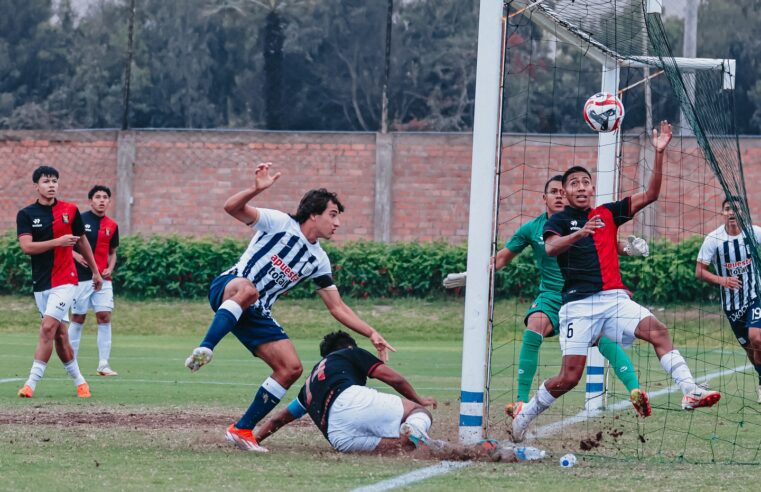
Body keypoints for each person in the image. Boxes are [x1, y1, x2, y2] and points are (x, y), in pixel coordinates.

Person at [511, 121, 721, 442]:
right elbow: (551, 247)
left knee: (659, 331)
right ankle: (525, 415)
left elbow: (651, 194)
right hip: (578, 307)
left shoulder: (609, 213)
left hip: (614, 300)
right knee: (569, 377)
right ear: (565, 192)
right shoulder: (558, 220)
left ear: (592, 189)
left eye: (586, 182)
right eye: (574, 184)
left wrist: (659, 153)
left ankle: (689, 390)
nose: (581, 187)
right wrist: (580, 233)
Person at [184, 162, 395, 452]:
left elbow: (337, 307)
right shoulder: (279, 222)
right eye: (332, 215)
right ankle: (206, 347)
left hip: (257, 311)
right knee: (248, 289)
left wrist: (372, 332)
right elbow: (231, 208)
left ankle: (242, 429)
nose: (337, 223)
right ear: (313, 213)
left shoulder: (318, 260)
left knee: (291, 367)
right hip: (230, 288)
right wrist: (255, 190)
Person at [444, 176, 651, 418]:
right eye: (553, 192)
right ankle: (520, 402)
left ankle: (635, 391)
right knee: (535, 325)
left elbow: (612, 244)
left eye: (561, 191)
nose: (559, 196)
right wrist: (475, 275)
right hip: (552, 296)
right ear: (545, 198)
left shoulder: (586, 220)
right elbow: (501, 259)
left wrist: (629, 248)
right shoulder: (532, 228)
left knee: (604, 339)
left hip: (586, 296)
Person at [254, 331, 437, 453]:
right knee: (418, 412)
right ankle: (417, 428)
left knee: (402, 447)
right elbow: (394, 379)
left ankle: (422, 441)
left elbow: (279, 419)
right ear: (350, 347)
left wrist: (255, 439)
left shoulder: (309, 384)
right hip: (350, 400)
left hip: (339, 437)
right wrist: (418, 400)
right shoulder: (350, 352)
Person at [16, 166, 103, 398]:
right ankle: (80, 381)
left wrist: (95, 272)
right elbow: (26, 247)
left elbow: (82, 242)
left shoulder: (69, 210)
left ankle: (30, 384)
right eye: (46, 181)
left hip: (66, 280)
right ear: (36, 185)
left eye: (55, 181)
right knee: (60, 335)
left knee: (46, 327)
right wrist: (59, 241)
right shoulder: (26, 214)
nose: (51, 185)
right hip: (41, 283)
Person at [696, 196, 761, 403]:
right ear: (722, 213)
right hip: (732, 307)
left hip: (754, 297)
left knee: (757, 338)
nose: (732, 213)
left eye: (736, 209)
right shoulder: (713, 240)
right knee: (750, 350)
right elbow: (700, 271)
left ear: (743, 213)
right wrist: (722, 280)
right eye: (727, 209)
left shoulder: (754, 233)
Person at [68, 185, 120, 376]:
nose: (101, 200)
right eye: (97, 197)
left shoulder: (112, 225)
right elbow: (66, 243)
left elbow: (113, 252)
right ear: (91, 200)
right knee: (78, 317)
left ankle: (103, 365)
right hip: (81, 277)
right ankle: (71, 362)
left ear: (109, 201)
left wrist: (110, 267)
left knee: (104, 316)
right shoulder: (79, 220)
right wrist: (75, 255)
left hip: (104, 279)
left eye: (105, 197)